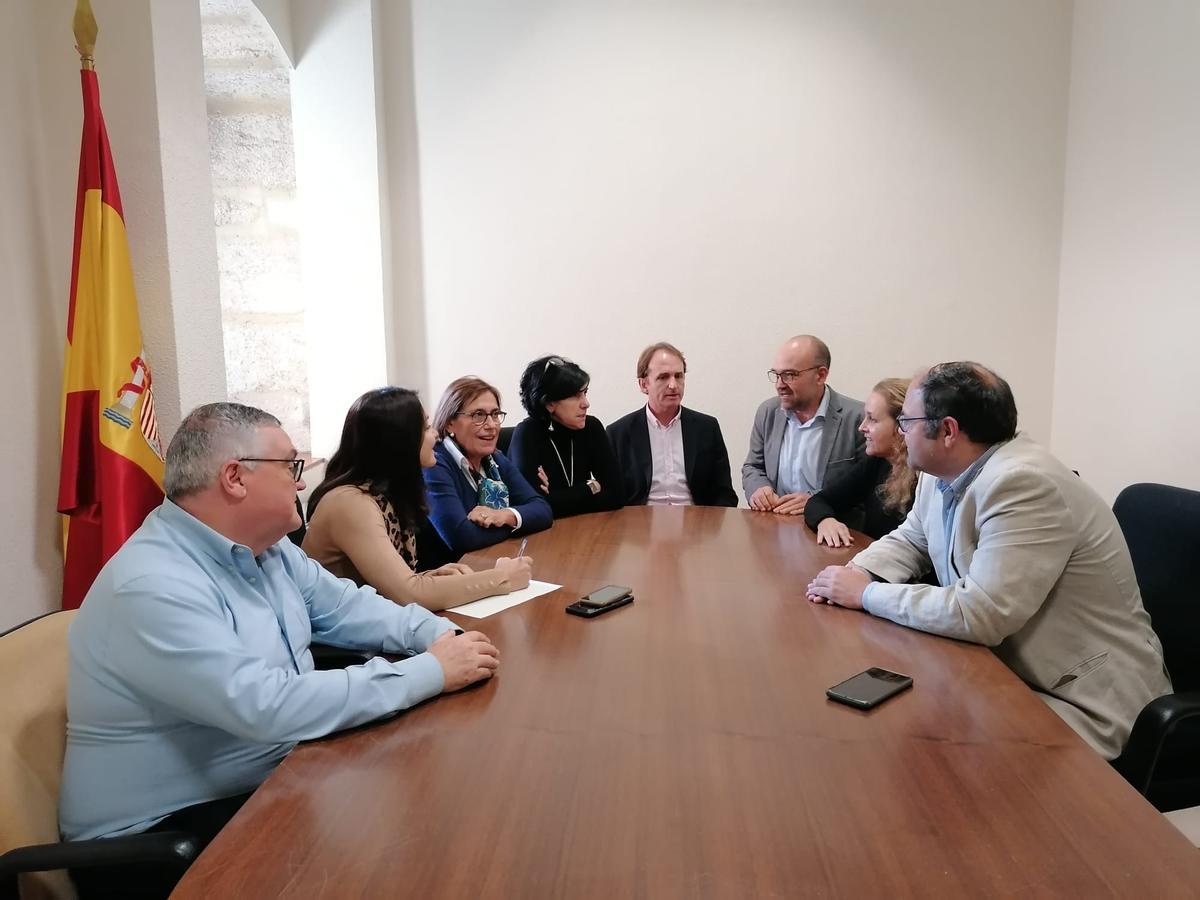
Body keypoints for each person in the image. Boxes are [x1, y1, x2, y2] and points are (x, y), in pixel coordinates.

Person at [60, 402, 499, 898]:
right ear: (234, 478)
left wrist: (440, 638)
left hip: (268, 778)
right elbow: (266, 707)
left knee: (431, 815)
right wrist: (430, 673)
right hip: (159, 837)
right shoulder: (151, 584)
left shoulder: (270, 549)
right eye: (291, 465)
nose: (302, 480)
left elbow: (353, 609)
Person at [806, 362, 1171, 759]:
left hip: (1080, 699)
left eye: (907, 420)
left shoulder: (1023, 483)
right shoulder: (939, 471)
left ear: (947, 431)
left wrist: (867, 594)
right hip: (1000, 674)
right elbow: (912, 538)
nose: (900, 431)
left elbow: (982, 613)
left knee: (931, 764)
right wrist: (855, 571)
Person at [303, 387, 534, 612]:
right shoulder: (350, 502)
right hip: (340, 640)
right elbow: (410, 595)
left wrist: (431, 577)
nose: (435, 434)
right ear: (399, 441)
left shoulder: (386, 492)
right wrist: (503, 577)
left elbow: (389, 585)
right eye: (425, 427)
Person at [424, 376, 552, 556]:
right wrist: (517, 523)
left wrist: (503, 516)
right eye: (479, 415)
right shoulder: (434, 463)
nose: (491, 425)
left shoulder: (494, 459)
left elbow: (543, 510)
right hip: (449, 574)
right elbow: (462, 538)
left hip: (493, 559)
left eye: (495, 414)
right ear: (449, 422)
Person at [742, 334, 865, 516]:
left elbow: (866, 487)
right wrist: (758, 489)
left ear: (820, 375)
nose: (779, 385)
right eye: (776, 375)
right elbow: (753, 466)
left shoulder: (858, 419)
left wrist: (817, 501)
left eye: (789, 375)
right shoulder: (768, 412)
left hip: (832, 530)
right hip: (774, 525)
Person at [606, 342, 738, 507]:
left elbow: (724, 493)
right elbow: (611, 497)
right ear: (643, 384)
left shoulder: (707, 428)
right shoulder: (619, 433)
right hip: (640, 526)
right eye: (663, 377)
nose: (673, 385)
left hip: (696, 524)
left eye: (679, 376)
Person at [804, 377, 917, 545]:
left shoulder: (926, 477)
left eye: (872, 419)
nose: (862, 427)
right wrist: (825, 520)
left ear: (901, 425)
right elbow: (819, 501)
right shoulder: (877, 462)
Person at [508, 355, 624, 518]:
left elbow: (617, 495)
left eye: (585, 393)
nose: (586, 403)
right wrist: (590, 487)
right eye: (576, 396)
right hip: (544, 537)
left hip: (587, 531)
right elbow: (534, 508)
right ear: (549, 403)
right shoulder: (527, 435)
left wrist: (557, 499)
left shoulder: (591, 427)